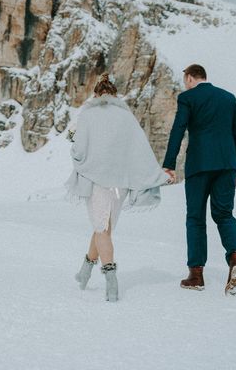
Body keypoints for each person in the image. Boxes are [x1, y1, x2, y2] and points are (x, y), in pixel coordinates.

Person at [66, 73, 169, 302]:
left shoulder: (89, 115)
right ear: (114, 95)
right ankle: (84, 272)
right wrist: (155, 174)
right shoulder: (126, 117)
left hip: (97, 182)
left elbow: (79, 151)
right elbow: (140, 148)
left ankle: (111, 280)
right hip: (119, 184)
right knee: (103, 227)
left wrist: (76, 151)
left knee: (101, 229)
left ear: (96, 94)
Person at [162, 64, 236, 296]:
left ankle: (196, 275)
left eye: (185, 80)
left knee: (196, 218)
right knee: (224, 215)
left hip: (199, 165)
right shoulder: (228, 98)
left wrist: (169, 164)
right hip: (227, 165)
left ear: (189, 78)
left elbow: (178, 130)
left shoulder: (188, 97)